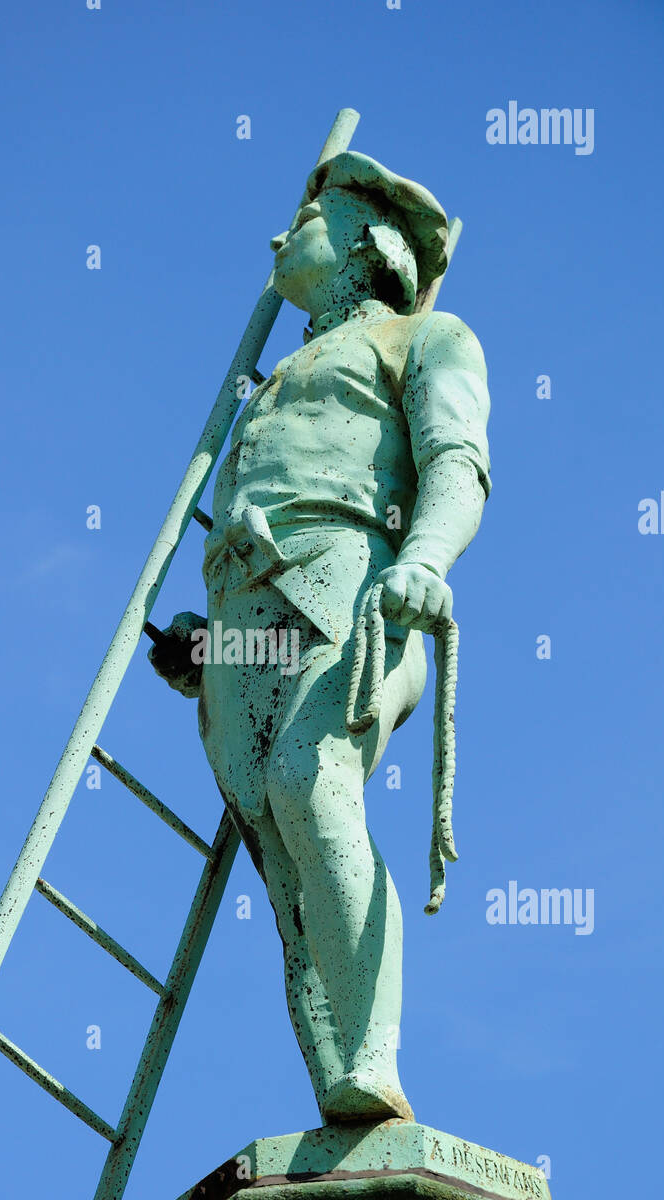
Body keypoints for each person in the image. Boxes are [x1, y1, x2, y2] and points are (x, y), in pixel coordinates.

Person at [150, 151, 491, 1124]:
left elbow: (455, 460)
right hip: (244, 622)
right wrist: (200, 648)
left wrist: (424, 557)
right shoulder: (252, 388)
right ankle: (336, 1078)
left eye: (306, 217)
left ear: (368, 245)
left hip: (356, 589)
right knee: (279, 848)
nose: (277, 234)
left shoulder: (424, 337)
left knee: (313, 783)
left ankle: (374, 1058)